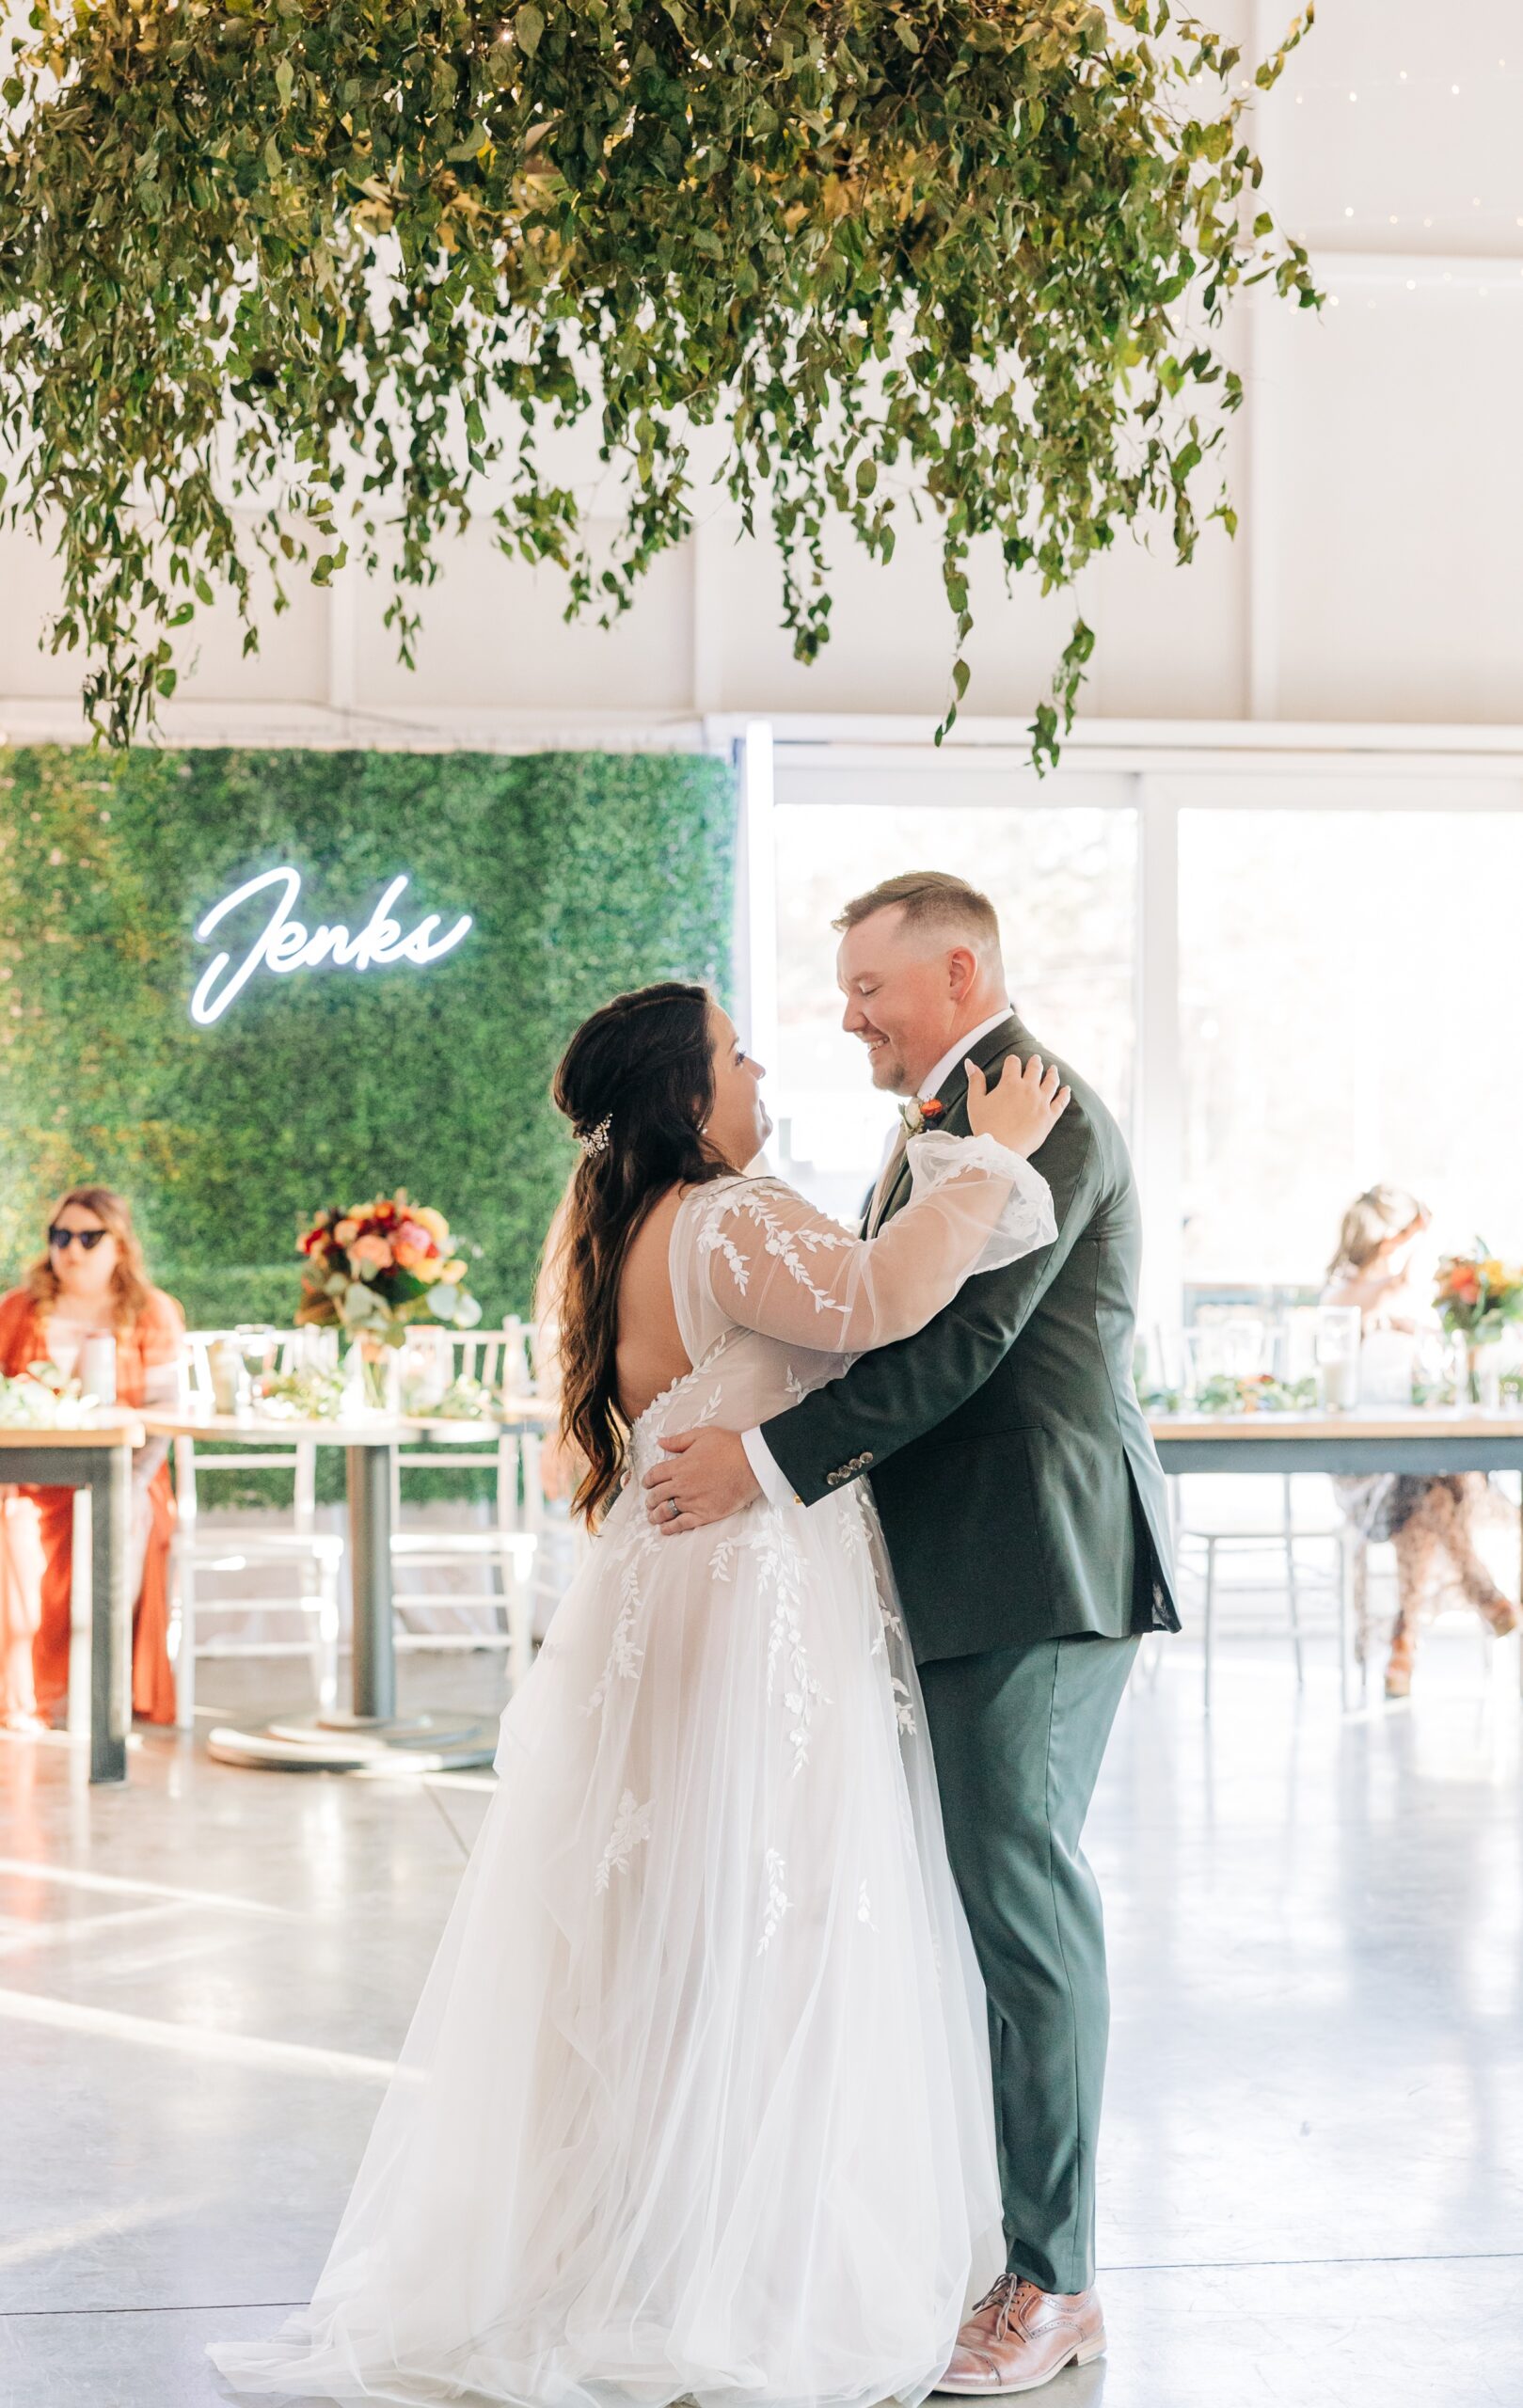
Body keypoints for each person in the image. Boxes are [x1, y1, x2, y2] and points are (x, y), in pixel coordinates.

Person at [210, 978, 1072, 2408]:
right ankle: (725, 2251)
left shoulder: (627, 1227)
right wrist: (989, 1159)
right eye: (737, 1055)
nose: (761, 1074)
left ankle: (655, 2228)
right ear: (685, 1094)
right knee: (765, 1902)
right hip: (744, 1595)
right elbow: (872, 1300)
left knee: (680, 1908)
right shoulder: (729, 1215)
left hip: (675, 1589)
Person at [642, 874, 1180, 2396]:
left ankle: (1052, 2279)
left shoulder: (1038, 1109)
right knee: (971, 1904)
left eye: (867, 989)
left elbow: (958, 1345)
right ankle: (1000, 2244)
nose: (844, 1016)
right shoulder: (939, 1123)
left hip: (1039, 1561)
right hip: (950, 1567)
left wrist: (760, 1464)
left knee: (1019, 1901)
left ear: (955, 973)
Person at [1325, 1184, 1519, 1699]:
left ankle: (1406, 1638)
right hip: (1362, 1469)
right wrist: (1412, 1239)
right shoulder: (1344, 1295)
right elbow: (1375, 1297)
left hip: (1414, 1460)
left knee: (1429, 1484)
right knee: (1428, 1483)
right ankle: (1474, 1596)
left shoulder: (1393, 1293)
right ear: (1381, 1241)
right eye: (1398, 1239)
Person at [0, 1186, 183, 1730]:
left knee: (122, 1521)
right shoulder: (17, 1309)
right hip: (29, 1475)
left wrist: (130, 1477)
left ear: (120, 1246)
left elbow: (167, 1410)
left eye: (88, 1237)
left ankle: (101, 1693)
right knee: (11, 1526)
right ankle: (28, 1693)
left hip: (129, 1470)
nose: (71, 1250)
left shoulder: (152, 1311)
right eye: (61, 1237)